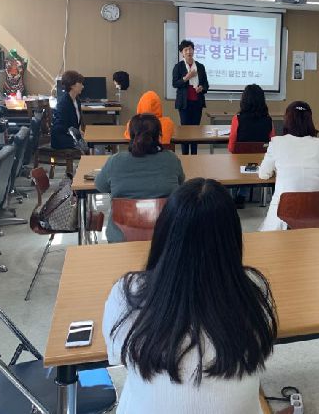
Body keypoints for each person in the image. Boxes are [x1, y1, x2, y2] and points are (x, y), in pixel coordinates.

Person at [102, 178, 277, 413]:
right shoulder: (254, 290)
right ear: (233, 239)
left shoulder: (127, 294)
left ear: (164, 233)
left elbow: (118, 356)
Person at [96, 114, 184, 243]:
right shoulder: (171, 159)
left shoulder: (115, 161)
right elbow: (181, 183)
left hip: (121, 238)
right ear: (159, 135)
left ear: (131, 135)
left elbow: (100, 186)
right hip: (166, 236)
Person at [258, 101, 319, 231]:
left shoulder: (277, 142)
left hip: (283, 215)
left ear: (287, 120)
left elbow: (263, 174)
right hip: (313, 213)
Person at [228, 84, 275, 208]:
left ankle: (238, 193)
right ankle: (244, 194)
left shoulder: (237, 119)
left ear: (244, 100)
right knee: (252, 163)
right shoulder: (268, 120)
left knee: (239, 163)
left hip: (240, 161)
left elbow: (232, 146)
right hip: (261, 160)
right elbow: (272, 143)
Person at [172, 40, 209, 155]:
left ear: (193, 50)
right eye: (186, 50)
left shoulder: (200, 66)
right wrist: (186, 77)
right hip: (184, 103)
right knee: (185, 131)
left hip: (197, 102)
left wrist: (202, 87)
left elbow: (206, 84)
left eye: (190, 49)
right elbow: (175, 83)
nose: (189, 52)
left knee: (195, 130)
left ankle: (194, 154)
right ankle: (185, 155)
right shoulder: (178, 67)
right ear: (182, 53)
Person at [51, 69, 84, 150]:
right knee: (87, 145)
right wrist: (76, 139)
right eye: (80, 83)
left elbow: (74, 124)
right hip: (62, 140)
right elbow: (59, 129)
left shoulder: (77, 100)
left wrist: (79, 133)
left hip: (72, 137)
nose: (83, 86)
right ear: (72, 85)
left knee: (88, 143)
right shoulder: (63, 104)